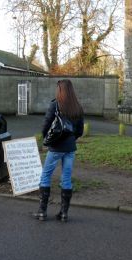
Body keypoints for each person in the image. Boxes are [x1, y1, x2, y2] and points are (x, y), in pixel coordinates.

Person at [33, 79, 84, 222]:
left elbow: (46, 125)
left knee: (45, 176)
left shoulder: (55, 105)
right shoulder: (78, 107)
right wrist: (71, 139)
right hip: (70, 148)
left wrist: (46, 139)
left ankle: (42, 212)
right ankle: (63, 214)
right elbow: (80, 130)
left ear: (60, 90)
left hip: (56, 147)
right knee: (66, 178)